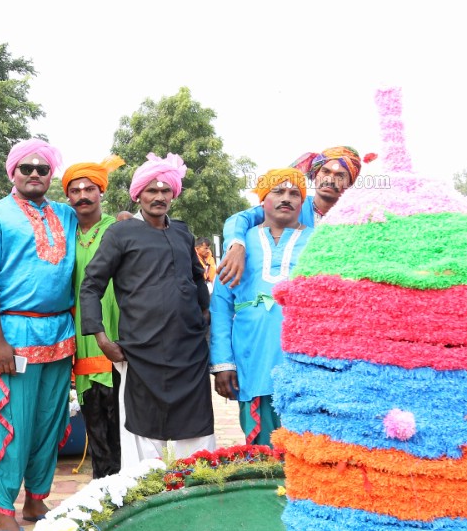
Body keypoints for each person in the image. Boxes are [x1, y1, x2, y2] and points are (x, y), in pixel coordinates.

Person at [0, 138, 77, 531]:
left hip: (60, 335)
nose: (34, 174)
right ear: (12, 172)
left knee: (50, 422)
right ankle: (3, 509)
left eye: (42, 169)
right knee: (11, 424)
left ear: (52, 174)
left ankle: (36, 500)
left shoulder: (64, 215)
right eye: (26, 168)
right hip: (12, 335)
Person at [79, 152, 215, 467]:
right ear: (138, 194)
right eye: (151, 190)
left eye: (165, 190)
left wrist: (202, 320)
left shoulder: (182, 232)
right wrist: (101, 338)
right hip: (140, 350)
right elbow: (91, 286)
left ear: (173, 194)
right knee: (143, 432)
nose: (159, 196)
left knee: (194, 431)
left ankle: (195, 489)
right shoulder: (120, 233)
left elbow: (197, 279)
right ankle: (147, 496)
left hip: (187, 351)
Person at [210, 168, 311, 446]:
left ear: (302, 203)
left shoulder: (319, 243)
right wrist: (222, 363)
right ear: (263, 200)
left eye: (294, 193)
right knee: (262, 450)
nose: (286, 198)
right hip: (251, 354)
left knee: (307, 444)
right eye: (278, 192)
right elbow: (220, 308)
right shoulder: (239, 246)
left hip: (303, 360)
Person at [218, 147, 372, 287]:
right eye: (325, 172)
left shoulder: (358, 220)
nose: (330, 180)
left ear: (350, 182)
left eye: (340, 175)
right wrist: (237, 244)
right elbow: (241, 218)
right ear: (315, 175)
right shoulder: (292, 206)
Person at [63, 156, 125, 480]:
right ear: (68, 197)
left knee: (122, 421)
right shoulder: (63, 235)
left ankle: (129, 488)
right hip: (82, 338)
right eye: (76, 190)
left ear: (101, 192)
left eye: (90, 188)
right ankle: (104, 486)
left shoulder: (120, 228)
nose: (83, 195)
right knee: (94, 419)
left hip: (118, 334)